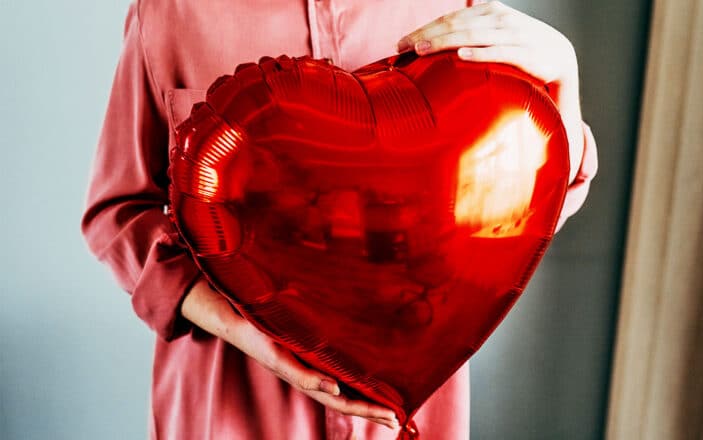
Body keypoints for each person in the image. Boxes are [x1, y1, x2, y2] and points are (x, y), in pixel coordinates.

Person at [80, 0, 598, 438]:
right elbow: (118, 212)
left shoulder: (450, 6)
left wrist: (564, 79)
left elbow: (525, 196)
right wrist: (255, 336)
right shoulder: (173, 10)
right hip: (232, 401)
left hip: (413, 398)